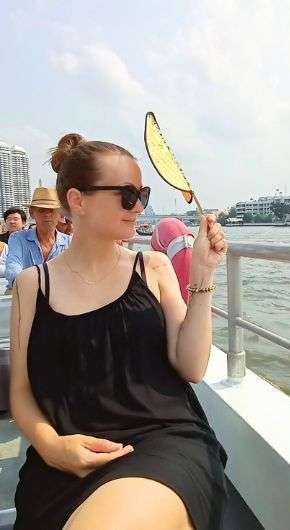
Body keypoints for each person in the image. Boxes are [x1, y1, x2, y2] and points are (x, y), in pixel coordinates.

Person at [10, 133, 229, 529]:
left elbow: (192, 366)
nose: (138, 207)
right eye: (127, 196)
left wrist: (203, 272)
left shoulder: (154, 267)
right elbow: (21, 393)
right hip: (64, 459)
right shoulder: (31, 285)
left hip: (160, 442)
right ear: (77, 200)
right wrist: (53, 447)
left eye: (142, 195)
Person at [5, 189, 71, 287]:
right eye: (42, 210)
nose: (47, 214)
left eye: (52, 210)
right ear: (32, 213)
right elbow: (12, 271)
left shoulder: (69, 242)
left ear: (60, 214)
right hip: (29, 298)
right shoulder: (18, 239)